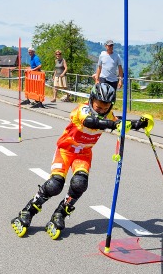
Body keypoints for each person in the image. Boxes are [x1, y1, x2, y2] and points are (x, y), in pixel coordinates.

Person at [11, 83, 152, 239]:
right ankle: (28, 211)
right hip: (65, 151)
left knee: (80, 183)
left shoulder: (109, 116)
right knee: (55, 185)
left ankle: (60, 213)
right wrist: (114, 124)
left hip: (83, 154)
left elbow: (120, 123)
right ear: (91, 100)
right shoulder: (82, 110)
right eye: (99, 108)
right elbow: (92, 122)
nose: (102, 111)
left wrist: (139, 124)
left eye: (106, 109)